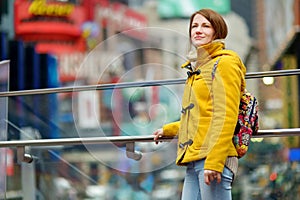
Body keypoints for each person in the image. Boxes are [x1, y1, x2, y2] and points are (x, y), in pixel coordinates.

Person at [153, 8, 246, 200]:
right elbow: (200, 117)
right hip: (195, 159)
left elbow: (225, 115)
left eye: (205, 26)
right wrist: (169, 129)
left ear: (217, 32)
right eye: (194, 26)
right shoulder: (200, 67)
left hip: (213, 159)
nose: (198, 30)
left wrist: (214, 162)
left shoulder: (225, 64)